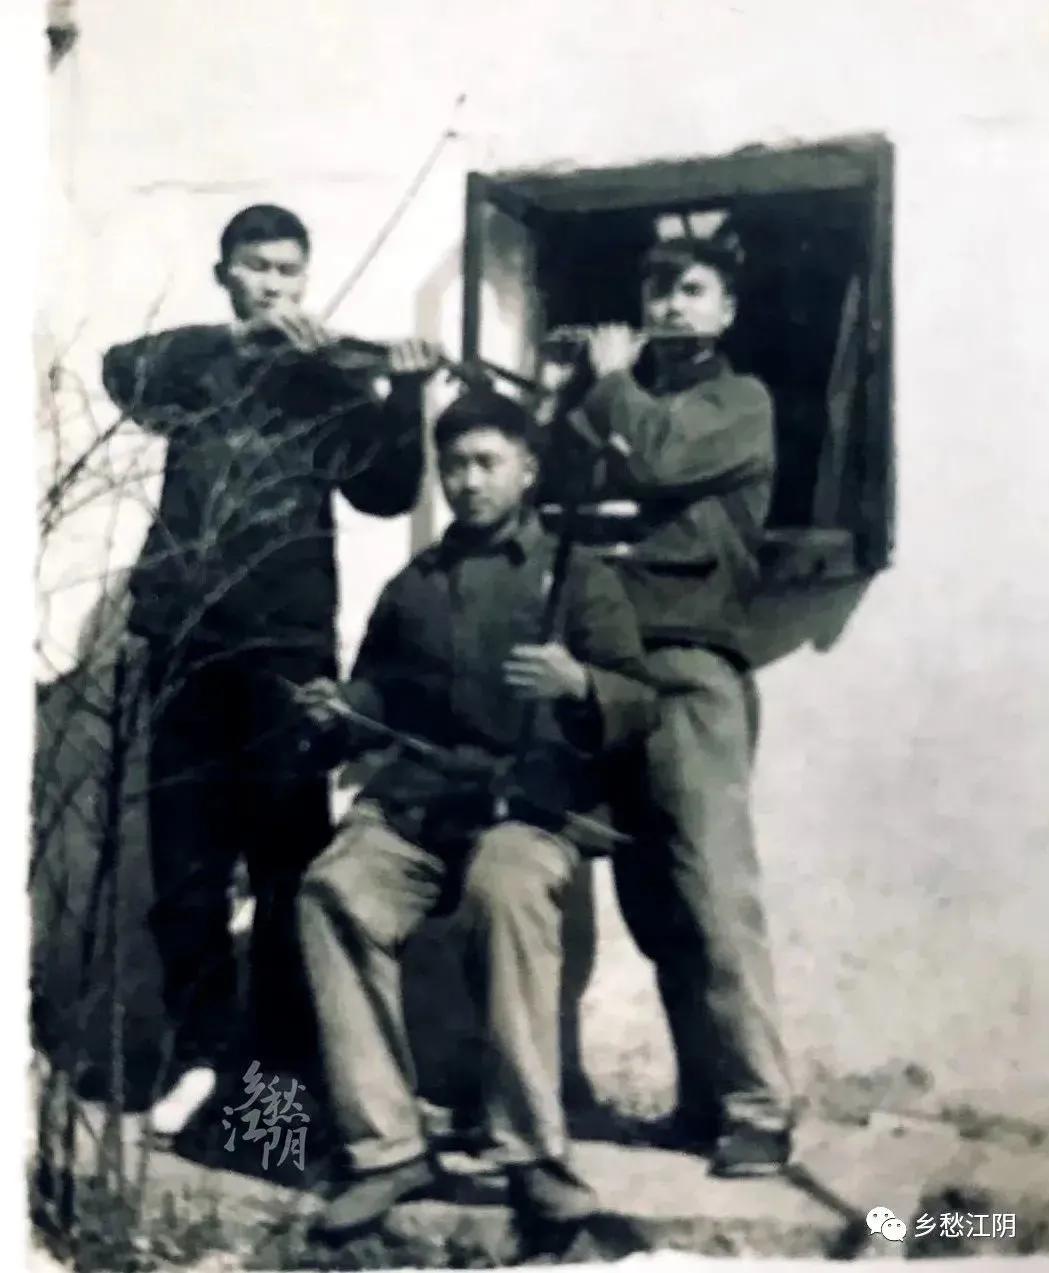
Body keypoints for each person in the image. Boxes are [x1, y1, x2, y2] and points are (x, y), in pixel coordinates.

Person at [100, 204, 441, 1135]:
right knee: (185, 875)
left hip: (286, 658)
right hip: (186, 646)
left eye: (289, 271)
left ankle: (275, 1102)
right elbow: (120, 370)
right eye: (257, 268)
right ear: (226, 274)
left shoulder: (326, 383)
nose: (275, 286)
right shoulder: (200, 367)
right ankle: (198, 1062)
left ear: (307, 277)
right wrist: (240, 342)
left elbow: (385, 492)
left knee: (287, 874)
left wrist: (404, 394)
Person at [292, 387, 655, 1236]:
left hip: (529, 811)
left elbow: (640, 702)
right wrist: (340, 707)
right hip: (423, 807)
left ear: (527, 469)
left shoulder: (579, 575)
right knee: (333, 889)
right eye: (453, 464)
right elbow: (378, 692)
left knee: (507, 888)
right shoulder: (415, 584)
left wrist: (581, 684)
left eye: (488, 462)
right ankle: (388, 1149)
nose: (468, 480)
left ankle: (530, 1154)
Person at [571, 221, 795, 1177]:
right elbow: (569, 481)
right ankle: (704, 1102)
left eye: (692, 288)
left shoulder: (739, 401)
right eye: (658, 289)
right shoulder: (624, 401)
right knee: (653, 898)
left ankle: (762, 1106)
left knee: (712, 888)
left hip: (692, 667)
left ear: (726, 309)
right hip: (614, 668)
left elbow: (659, 460)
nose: (670, 303)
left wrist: (609, 383)